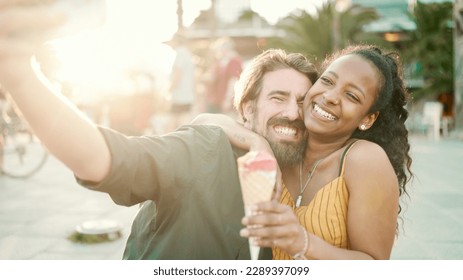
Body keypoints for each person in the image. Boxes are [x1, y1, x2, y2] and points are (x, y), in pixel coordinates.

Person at [0, 2, 318, 259]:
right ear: (248, 108)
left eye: (302, 103)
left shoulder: (311, 174)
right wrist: (20, 74)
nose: (292, 113)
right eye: (278, 98)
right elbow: (105, 158)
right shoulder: (206, 149)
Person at [192, 44, 413, 260]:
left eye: (352, 96)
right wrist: (256, 143)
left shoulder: (364, 159)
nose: (331, 97)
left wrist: (303, 242)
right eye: (327, 81)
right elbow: (204, 121)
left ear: (367, 118)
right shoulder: (286, 144)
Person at [164, 31, 197, 132]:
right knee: (183, 121)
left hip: (179, 96)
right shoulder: (188, 54)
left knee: (173, 123)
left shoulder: (180, 55)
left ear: (176, 41)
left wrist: (168, 92)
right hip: (187, 95)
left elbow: (177, 75)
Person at [205, 37, 243, 115]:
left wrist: (227, 100)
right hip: (218, 101)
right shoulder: (223, 61)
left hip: (225, 102)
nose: (217, 52)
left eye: (218, 49)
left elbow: (233, 82)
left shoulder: (234, 61)